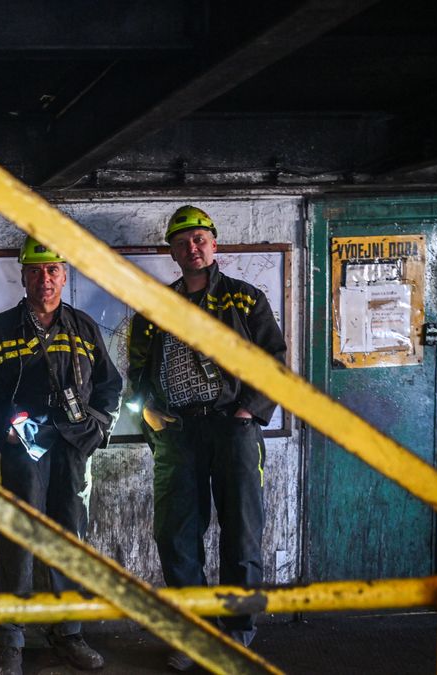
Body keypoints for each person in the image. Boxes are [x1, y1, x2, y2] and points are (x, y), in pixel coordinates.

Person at [127, 205, 286, 671]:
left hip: (232, 428)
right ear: (172, 252)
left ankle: (237, 632)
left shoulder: (244, 298)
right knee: (176, 534)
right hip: (176, 432)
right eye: (182, 242)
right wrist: (149, 410)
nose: (192, 247)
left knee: (241, 530)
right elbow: (137, 368)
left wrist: (247, 410)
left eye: (199, 239)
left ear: (214, 244)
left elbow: (273, 360)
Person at [0, 236, 122, 675]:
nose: (44, 279)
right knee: (18, 541)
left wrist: (98, 428)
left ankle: (68, 633)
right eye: (35, 270)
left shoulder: (85, 329)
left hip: (72, 450)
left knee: (69, 539)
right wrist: (5, 434)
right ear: (23, 275)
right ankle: (11, 640)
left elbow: (110, 386)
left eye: (52, 271)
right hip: (22, 451)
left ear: (64, 275)